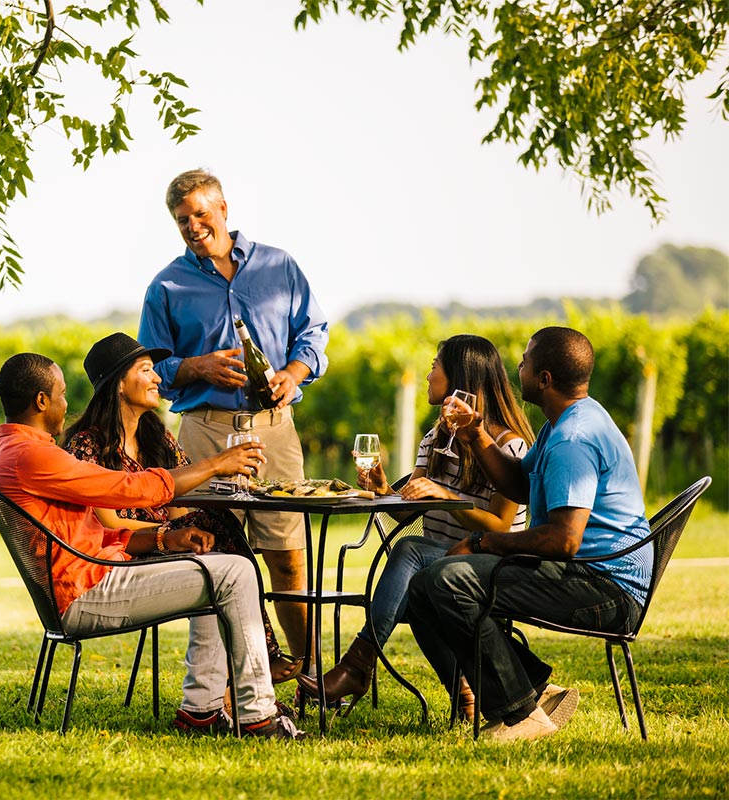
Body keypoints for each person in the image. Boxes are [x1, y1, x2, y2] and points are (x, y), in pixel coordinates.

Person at [0, 351, 305, 738]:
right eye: (62, 394)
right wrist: (217, 464)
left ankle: (201, 711)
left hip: (89, 578)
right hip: (86, 591)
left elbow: (91, 531)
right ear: (41, 401)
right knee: (235, 571)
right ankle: (257, 715)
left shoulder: (14, 451)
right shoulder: (33, 456)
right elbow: (126, 488)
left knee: (214, 563)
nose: (66, 404)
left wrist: (162, 537)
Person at [405, 326, 652, 742]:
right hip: (584, 572)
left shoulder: (573, 438)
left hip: (604, 586)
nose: (516, 366)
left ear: (545, 379)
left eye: (525, 360)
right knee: (424, 587)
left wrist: (483, 542)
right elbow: (518, 486)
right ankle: (533, 691)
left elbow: (564, 540)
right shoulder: (564, 422)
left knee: (447, 581)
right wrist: (475, 433)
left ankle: (521, 715)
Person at [138, 168, 330, 670]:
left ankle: (307, 671)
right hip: (204, 430)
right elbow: (150, 367)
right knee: (213, 556)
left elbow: (314, 333)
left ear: (223, 209)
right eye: (183, 220)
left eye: (200, 214)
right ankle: (227, 680)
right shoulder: (166, 286)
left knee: (288, 553)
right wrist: (195, 367)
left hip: (274, 430)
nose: (193, 226)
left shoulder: (279, 266)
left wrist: (293, 372)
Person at [296, 334, 534, 719]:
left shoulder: (508, 447)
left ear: (459, 377)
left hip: (491, 565)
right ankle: (464, 694)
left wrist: (445, 497)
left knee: (410, 553)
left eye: (434, 366)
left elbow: (501, 528)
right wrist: (384, 490)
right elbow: (408, 513)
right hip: (439, 569)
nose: (427, 374)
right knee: (417, 577)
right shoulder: (435, 437)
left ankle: (358, 666)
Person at [62, 331, 303, 684]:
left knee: (221, 527)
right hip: (124, 553)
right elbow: (109, 523)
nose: (158, 377)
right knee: (223, 547)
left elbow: (179, 503)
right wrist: (171, 534)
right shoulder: (88, 445)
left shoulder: (155, 436)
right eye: (146, 370)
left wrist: (191, 528)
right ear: (117, 385)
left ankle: (246, 673)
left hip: (168, 543)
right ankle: (257, 663)